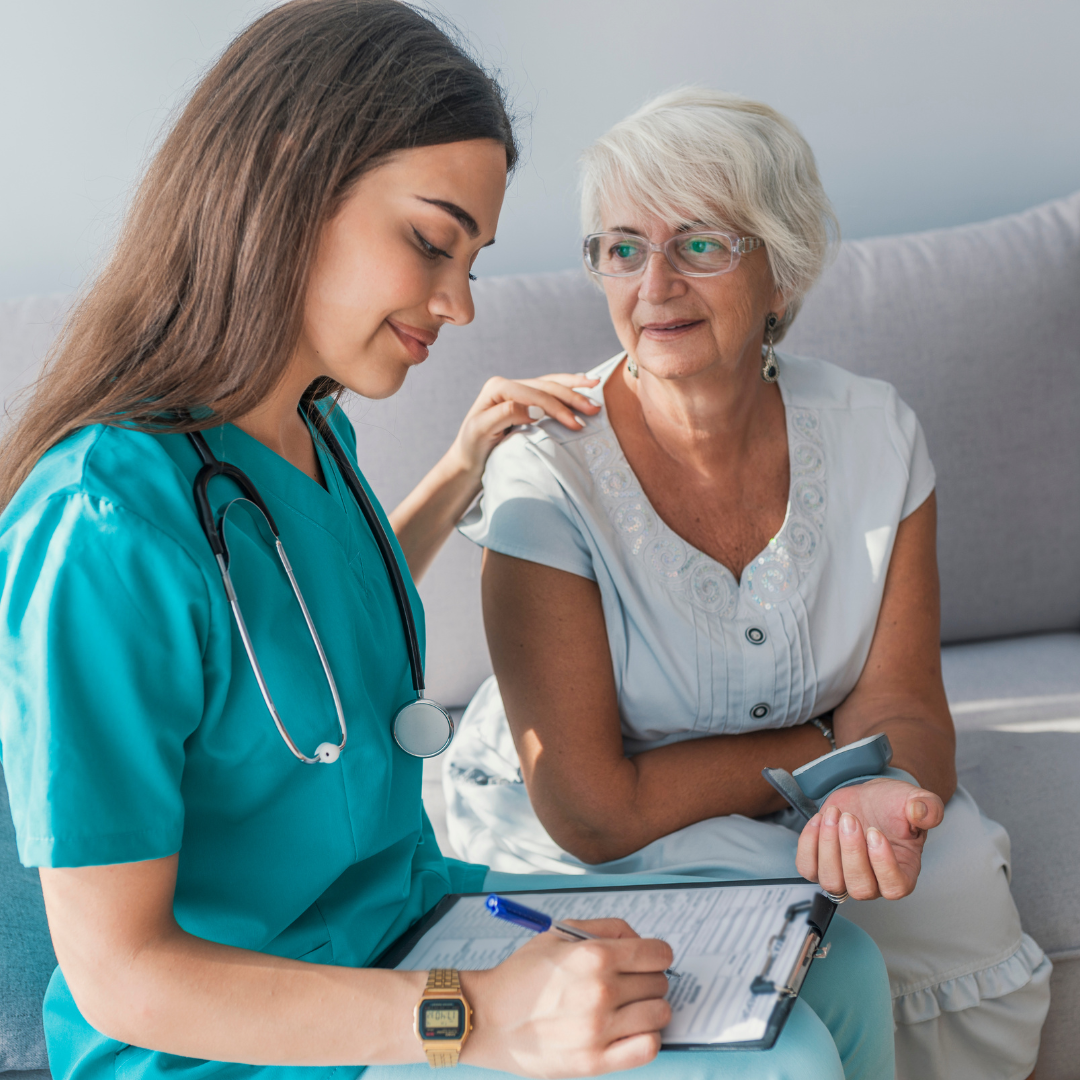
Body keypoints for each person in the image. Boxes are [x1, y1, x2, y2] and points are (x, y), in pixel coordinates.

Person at [0, 7, 894, 1080]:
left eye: (471, 258)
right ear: (288, 186)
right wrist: (472, 1016)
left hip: (409, 924)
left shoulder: (304, 437)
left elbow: (312, 618)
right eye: (431, 241)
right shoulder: (100, 524)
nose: (460, 303)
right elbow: (120, 975)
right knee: (772, 1060)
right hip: (249, 1044)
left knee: (833, 967)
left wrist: (462, 464)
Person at [443, 87, 1052, 1080]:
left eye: (702, 245)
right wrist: (821, 751)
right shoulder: (545, 467)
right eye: (623, 247)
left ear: (784, 269)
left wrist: (883, 788)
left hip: (809, 796)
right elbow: (594, 809)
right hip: (594, 836)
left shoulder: (874, 431)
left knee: (952, 890)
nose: (655, 284)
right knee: (796, 910)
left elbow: (903, 704)